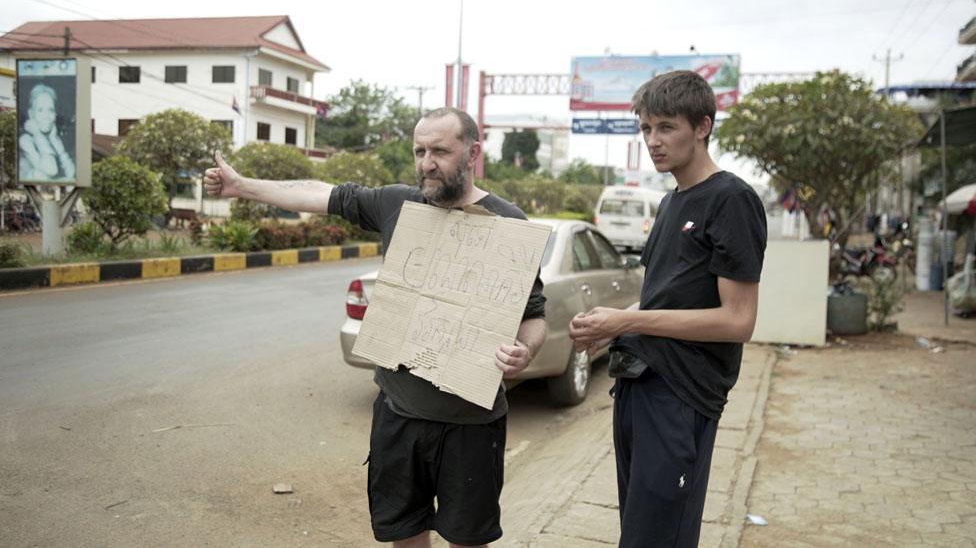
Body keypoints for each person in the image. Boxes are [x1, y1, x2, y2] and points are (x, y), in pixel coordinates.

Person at [203, 107, 546, 548]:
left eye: (440, 151)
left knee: (468, 541)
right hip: (398, 417)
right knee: (403, 536)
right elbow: (319, 192)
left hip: (472, 426)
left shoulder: (510, 224)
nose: (427, 162)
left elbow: (535, 315)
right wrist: (243, 187)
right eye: (420, 151)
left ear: (473, 152)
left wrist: (527, 350)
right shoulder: (396, 205)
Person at [569, 71, 767, 547]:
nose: (653, 142)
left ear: (702, 126)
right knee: (638, 533)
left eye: (666, 128)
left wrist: (627, 320)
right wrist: (609, 328)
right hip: (639, 384)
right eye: (645, 129)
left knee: (658, 540)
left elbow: (738, 321)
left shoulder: (732, 200)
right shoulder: (671, 202)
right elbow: (667, 297)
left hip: (682, 395)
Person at [19, 83, 75, 181]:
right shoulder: (25, 140)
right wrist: (37, 133)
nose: (46, 116)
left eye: (51, 110)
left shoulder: (53, 138)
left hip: (50, 191)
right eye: (40, 110)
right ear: (31, 114)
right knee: (39, 174)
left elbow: (71, 174)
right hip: (32, 188)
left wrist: (55, 142)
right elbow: (51, 170)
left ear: (55, 114)